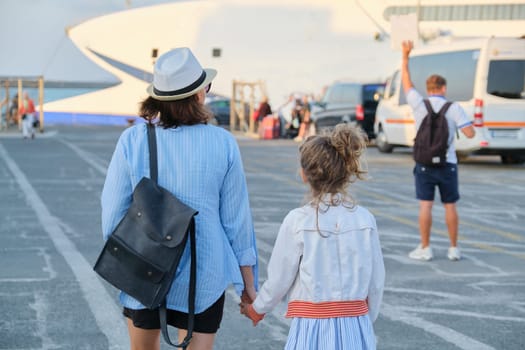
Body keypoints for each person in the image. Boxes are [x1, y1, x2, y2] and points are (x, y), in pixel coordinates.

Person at [101, 47, 258, 350]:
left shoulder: (133, 140)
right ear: (200, 94)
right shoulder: (223, 143)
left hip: (145, 267)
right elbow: (237, 223)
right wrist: (247, 285)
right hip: (204, 274)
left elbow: (111, 216)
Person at [240, 123, 385, 350]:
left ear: (304, 175)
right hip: (356, 324)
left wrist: (257, 309)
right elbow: (376, 280)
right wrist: (366, 319)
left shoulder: (298, 221)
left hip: (312, 328)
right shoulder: (365, 220)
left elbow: (280, 278)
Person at [401, 40, 475, 261]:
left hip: (423, 164)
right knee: (450, 206)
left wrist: (406, 55)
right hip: (448, 163)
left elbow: (406, 80)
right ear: (444, 88)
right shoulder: (453, 108)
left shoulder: (418, 103)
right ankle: (453, 249)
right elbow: (470, 134)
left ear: (428, 88)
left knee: (426, 206)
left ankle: (425, 248)